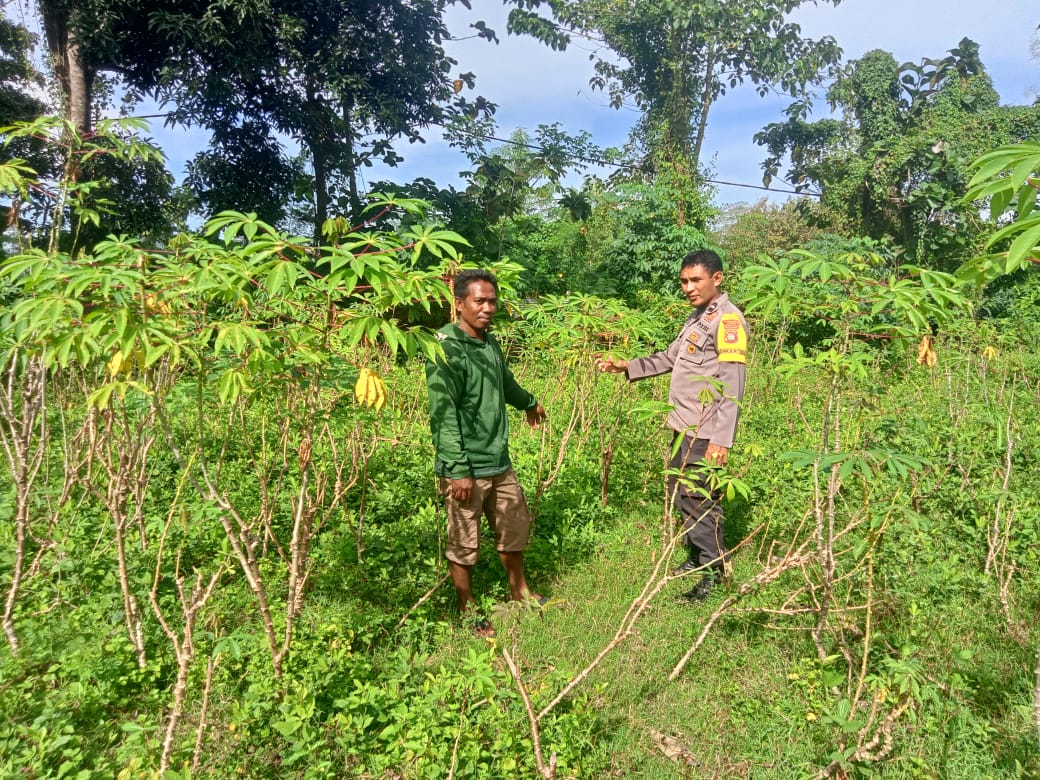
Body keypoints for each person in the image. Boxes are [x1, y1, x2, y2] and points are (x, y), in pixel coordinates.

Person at [596, 249, 748, 602]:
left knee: (699, 498)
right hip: (684, 426)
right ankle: (697, 555)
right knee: (682, 493)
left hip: (706, 430)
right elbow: (669, 358)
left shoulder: (728, 321)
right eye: (683, 281)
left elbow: (733, 386)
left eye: (696, 280)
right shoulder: (698, 317)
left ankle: (714, 571)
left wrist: (721, 440)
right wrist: (626, 366)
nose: (688, 288)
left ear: (717, 278)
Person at [425, 268, 547, 636]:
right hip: (466, 466)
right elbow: (443, 414)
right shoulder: (446, 348)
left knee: (513, 527)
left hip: (498, 461)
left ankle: (520, 592)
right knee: (464, 542)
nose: (488, 308)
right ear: (459, 303)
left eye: (492, 301)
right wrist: (458, 469)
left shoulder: (489, 343)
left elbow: (504, 383)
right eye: (480, 301)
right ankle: (468, 609)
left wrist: (529, 402)